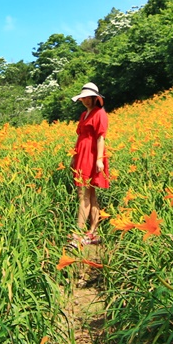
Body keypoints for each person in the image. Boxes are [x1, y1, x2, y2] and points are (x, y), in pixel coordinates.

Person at [69, 82, 109, 247]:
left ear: (95, 98)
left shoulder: (100, 113)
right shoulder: (83, 114)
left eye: (88, 98)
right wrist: (74, 155)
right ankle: (93, 233)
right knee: (90, 195)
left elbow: (101, 137)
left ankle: (78, 235)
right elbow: (80, 137)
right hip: (82, 155)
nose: (85, 100)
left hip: (93, 155)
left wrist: (99, 159)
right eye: (82, 98)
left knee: (83, 195)